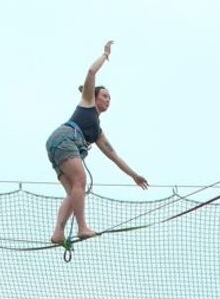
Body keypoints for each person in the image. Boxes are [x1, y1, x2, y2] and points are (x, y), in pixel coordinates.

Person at [46, 40, 149, 246]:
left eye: (110, 98)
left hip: (57, 145)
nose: (107, 100)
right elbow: (92, 73)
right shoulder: (87, 103)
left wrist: (134, 175)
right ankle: (83, 227)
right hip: (65, 138)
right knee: (80, 181)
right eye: (104, 96)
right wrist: (105, 55)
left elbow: (115, 157)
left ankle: (58, 233)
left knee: (75, 191)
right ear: (94, 96)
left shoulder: (97, 133)